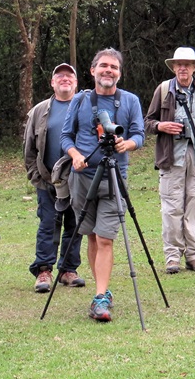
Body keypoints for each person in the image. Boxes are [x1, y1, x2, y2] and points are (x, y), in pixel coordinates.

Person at [61, 48, 145, 322]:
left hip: (114, 177)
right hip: (83, 178)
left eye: (114, 67)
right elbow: (66, 136)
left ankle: (100, 296)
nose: (109, 71)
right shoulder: (80, 99)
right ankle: (103, 291)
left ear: (120, 73)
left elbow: (139, 135)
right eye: (104, 66)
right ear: (93, 70)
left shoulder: (130, 100)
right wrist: (75, 156)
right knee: (92, 235)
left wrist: (126, 144)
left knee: (106, 236)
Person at [144, 47, 195, 274]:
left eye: (187, 64)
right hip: (171, 155)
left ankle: (194, 256)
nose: (183, 68)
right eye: (179, 64)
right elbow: (147, 122)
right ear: (174, 67)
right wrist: (161, 126)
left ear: (194, 67)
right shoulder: (164, 89)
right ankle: (172, 257)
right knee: (172, 207)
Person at [24, 63, 85, 293]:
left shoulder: (85, 108)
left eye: (70, 76)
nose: (65, 79)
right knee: (48, 225)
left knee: (75, 225)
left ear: (76, 83)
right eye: (59, 75)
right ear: (52, 82)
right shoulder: (40, 110)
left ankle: (69, 270)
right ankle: (43, 271)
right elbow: (29, 148)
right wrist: (36, 176)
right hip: (47, 180)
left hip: (77, 180)